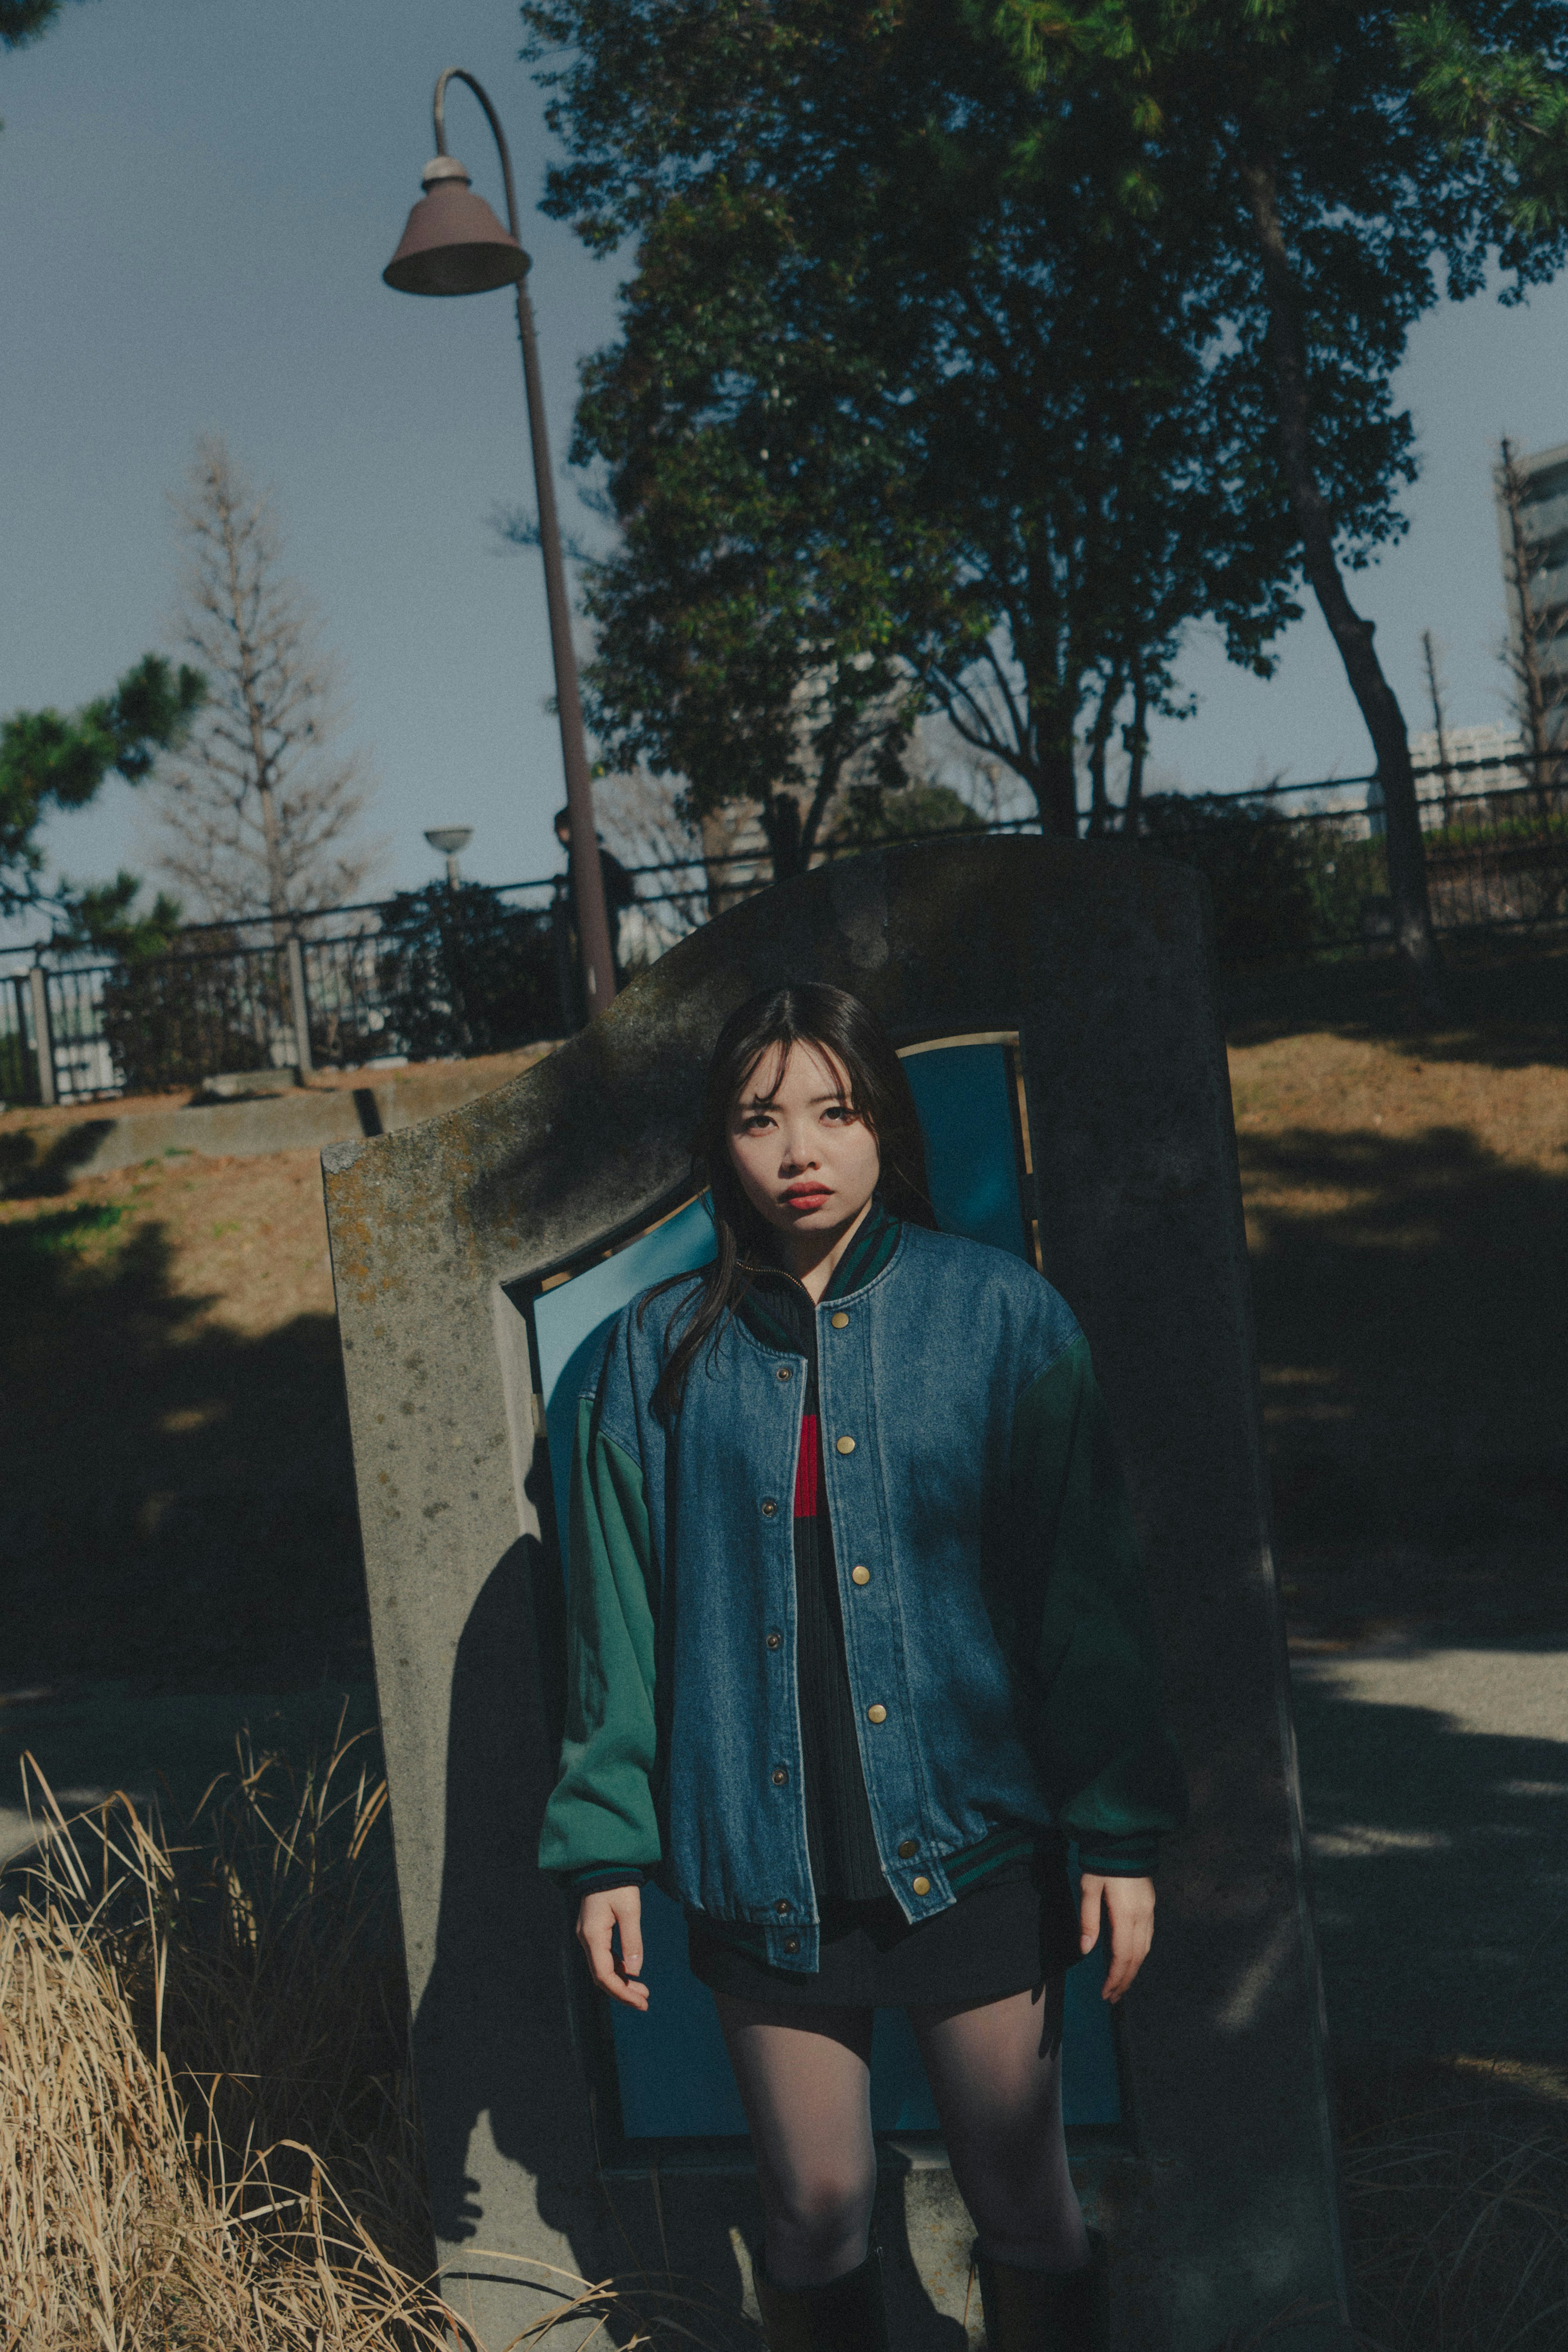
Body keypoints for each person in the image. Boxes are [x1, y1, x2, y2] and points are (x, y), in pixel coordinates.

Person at [539, 983, 1187, 2352]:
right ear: (720, 1143)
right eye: (761, 1116)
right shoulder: (644, 1361)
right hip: (758, 1849)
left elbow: (1087, 1597)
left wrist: (1118, 1827)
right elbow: (617, 1626)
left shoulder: (1005, 1320)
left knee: (1022, 2189)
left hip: (974, 1833)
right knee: (815, 2201)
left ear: (883, 1121)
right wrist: (606, 1849)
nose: (800, 1150)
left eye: (834, 1110)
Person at [552, 803, 635, 1026]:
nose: (558, 836)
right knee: (602, 967)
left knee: (598, 967)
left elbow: (623, 890)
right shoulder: (593, 857)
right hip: (602, 922)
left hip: (600, 922)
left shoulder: (590, 858)